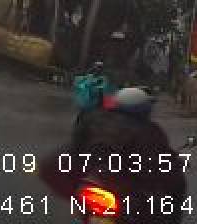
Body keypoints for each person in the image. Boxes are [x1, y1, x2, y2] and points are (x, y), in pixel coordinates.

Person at [42, 87, 188, 224]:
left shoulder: (94, 120)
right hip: (122, 190)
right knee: (174, 189)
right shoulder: (149, 131)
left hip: (94, 183)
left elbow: (74, 148)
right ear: (144, 110)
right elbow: (157, 162)